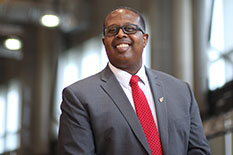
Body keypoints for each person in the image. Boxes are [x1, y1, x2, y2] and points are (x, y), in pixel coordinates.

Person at [58, 6, 211, 155]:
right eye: (112, 30)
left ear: (144, 39)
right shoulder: (79, 97)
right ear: (104, 42)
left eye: (130, 28)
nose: (120, 34)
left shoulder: (181, 91)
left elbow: (199, 150)